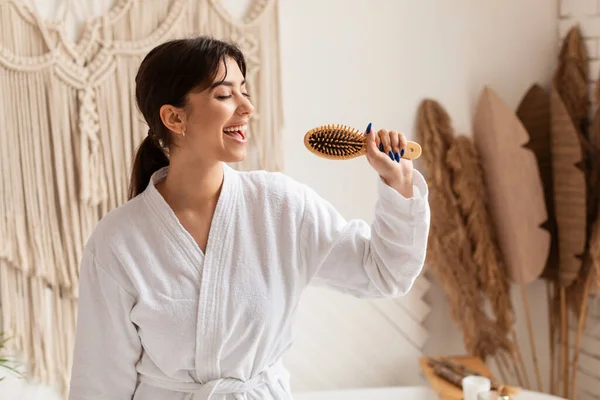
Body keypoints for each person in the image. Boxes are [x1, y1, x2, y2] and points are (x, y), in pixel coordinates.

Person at [68, 36, 430, 400]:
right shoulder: (118, 241)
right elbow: (100, 383)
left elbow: (385, 273)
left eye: (246, 91)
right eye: (225, 95)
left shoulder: (281, 205)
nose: (247, 108)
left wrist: (397, 183)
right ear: (175, 117)